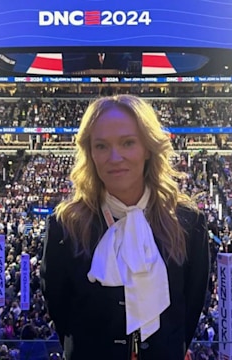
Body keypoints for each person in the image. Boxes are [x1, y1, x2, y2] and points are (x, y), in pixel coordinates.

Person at [41, 94, 209, 359]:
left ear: (148, 148)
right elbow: (61, 312)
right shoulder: (65, 226)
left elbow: (190, 307)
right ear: (90, 154)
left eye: (128, 143)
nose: (114, 157)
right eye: (101, 146)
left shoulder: (188, 223)